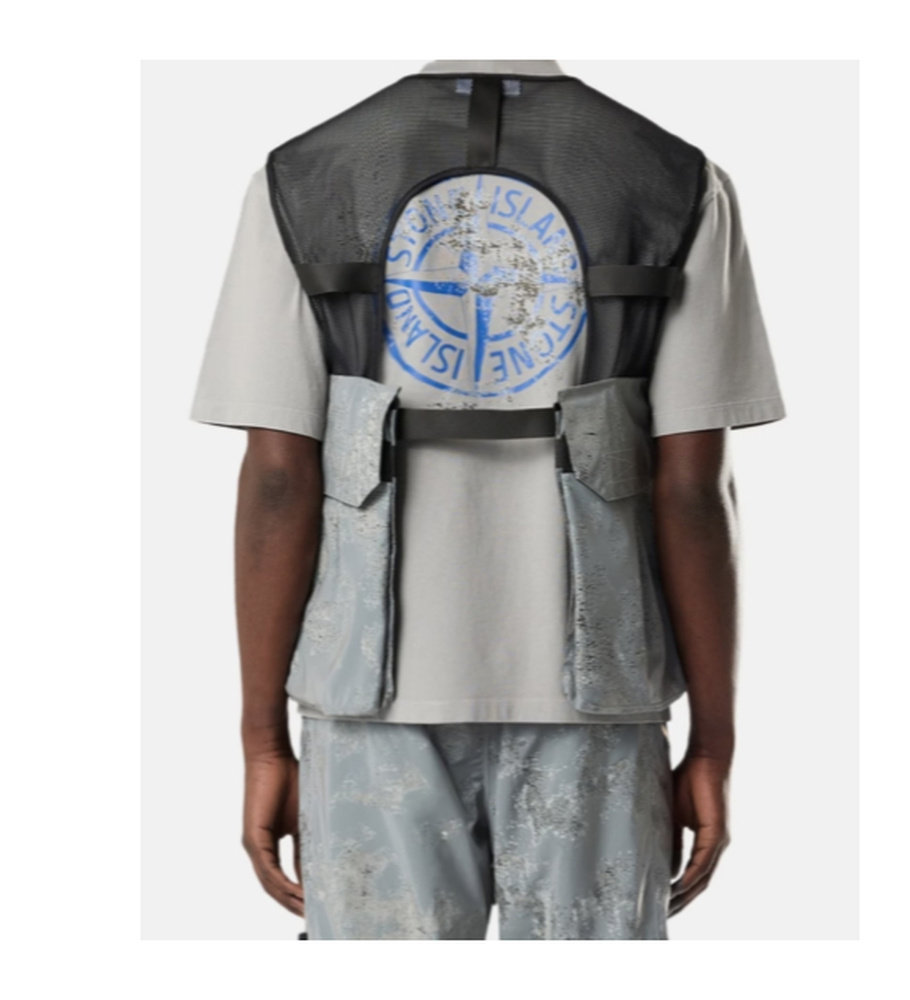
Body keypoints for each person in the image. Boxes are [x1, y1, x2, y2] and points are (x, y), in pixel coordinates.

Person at [189, 59, 786, 940]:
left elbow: (280, 479)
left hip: (369, 699)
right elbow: (693, 489)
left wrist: (262, 740)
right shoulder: (675, 176)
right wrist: (715, 742)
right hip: (597, 701)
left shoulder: (302, 175)